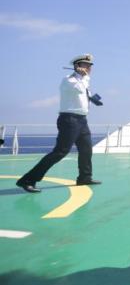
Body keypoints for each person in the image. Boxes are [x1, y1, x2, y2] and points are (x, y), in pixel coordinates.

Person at [16, 54, 103, 193]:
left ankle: (84, 177)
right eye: (86, 65)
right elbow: (80, 89)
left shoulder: (83, 81)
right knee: (60, 152)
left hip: (82, 120)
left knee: (86, 150)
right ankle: (27, 180)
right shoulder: (69, 80)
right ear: (77, 66)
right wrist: (83, 76)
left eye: (90, 66)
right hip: (70, 120)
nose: (89, 68)